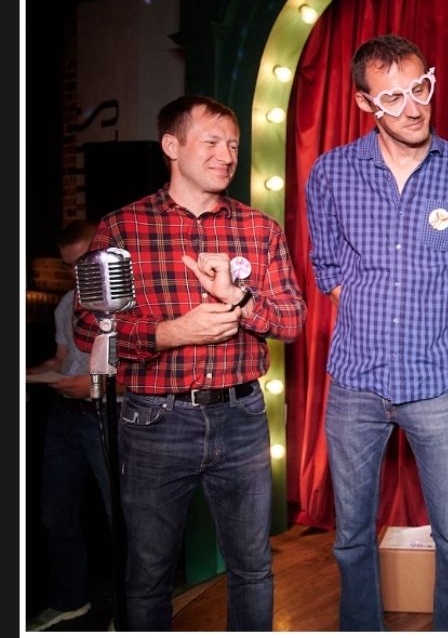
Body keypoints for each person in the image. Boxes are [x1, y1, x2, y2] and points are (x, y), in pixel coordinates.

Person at [74, 94, 306, 631]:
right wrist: (168, 334)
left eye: (232, 144)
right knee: (149, 572)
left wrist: (240, 303)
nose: (226, 154)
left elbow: (292, 322)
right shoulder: (122, 228)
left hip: (243, 417)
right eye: (211, 141)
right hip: (155, 420)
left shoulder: (259, 228)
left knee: (252, 567)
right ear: (172, 146)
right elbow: (88, 327)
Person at [304, 34, 448, 631]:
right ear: (365, 104)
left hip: (437, 379)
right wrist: (369, 318)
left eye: (420, 88)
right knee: (351, 537)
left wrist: (438, 325)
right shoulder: (332, 173)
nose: (413, 107)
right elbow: (329, 267)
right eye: (393, 97)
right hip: (355, 381)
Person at [26, 220, 112, 632]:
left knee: (124, 518)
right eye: (68, 267)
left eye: (82, 263)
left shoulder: (124, 302)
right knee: (55, 514)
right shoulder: (66, 303)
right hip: (64, 417)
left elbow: (143, 371)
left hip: (105, 417)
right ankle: (69, 600)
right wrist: (28, 374)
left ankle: (134, 610)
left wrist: (92, 386)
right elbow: (59, 362)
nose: (76, 274)